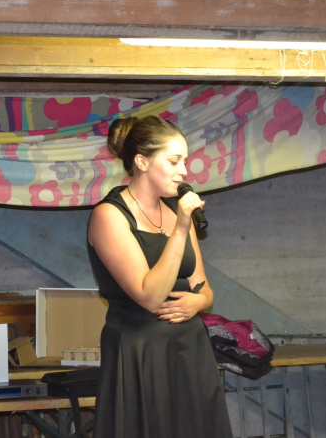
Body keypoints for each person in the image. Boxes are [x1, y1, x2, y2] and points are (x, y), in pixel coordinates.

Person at [87, 115, 233, 438]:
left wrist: (197, 302)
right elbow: (150, 296)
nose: (184, 171)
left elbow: (204, 290)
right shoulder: (109, 216)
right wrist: (180, 228)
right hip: (141, 351)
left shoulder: (177, 212)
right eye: (174, 161)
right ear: (142, 162)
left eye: (185, 161)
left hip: (189, 349)